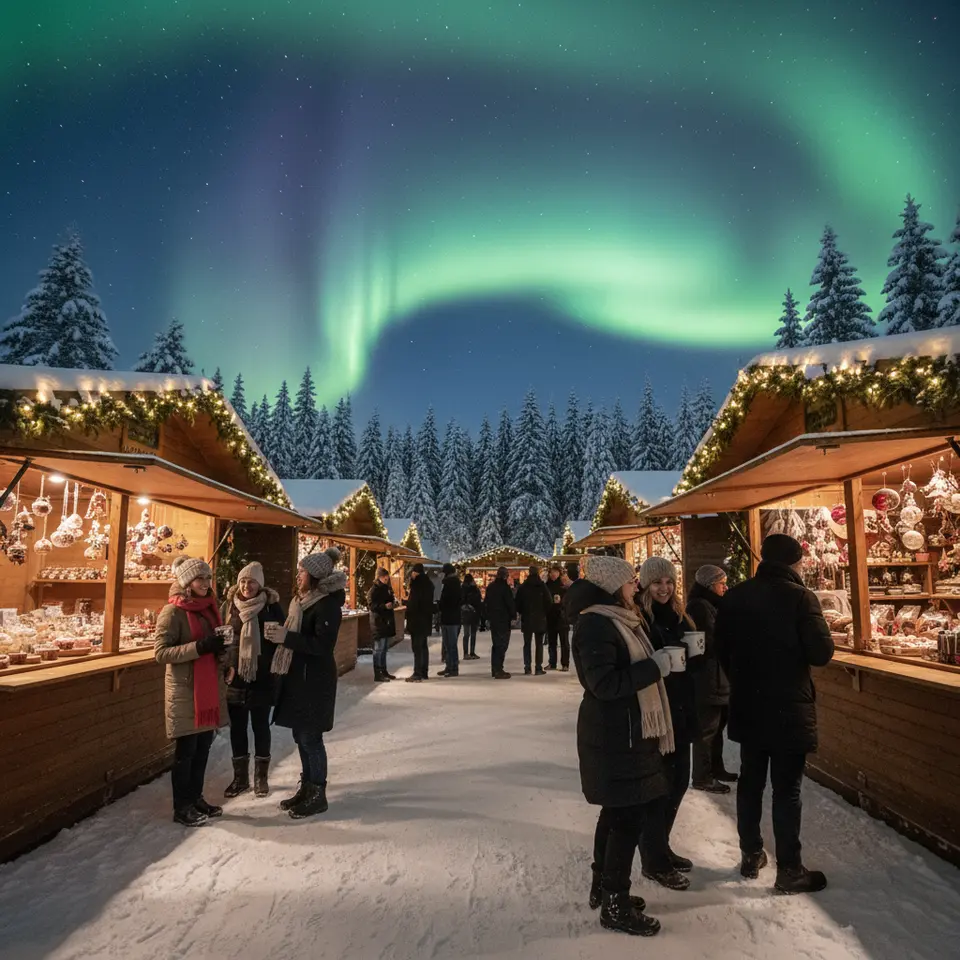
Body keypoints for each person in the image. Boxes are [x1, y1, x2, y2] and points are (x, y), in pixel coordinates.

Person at [715, 533, 834, 894]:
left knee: (751, 783)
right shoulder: (801, 598)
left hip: (749, 704)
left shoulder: (735, 596)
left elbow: (722, 651)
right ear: (794, 562)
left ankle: (751, 853)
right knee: (787, 790)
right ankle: (790, 869)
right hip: (788, 707)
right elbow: (821, 653)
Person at [572, 554, 672, 937]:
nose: (637, 586)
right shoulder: (597, 623)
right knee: (627, 818)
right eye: (631, 581)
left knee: (617, 815)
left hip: (624, 732)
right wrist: (654, 667)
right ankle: (615, 901)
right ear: (614, 585)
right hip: (616, 736)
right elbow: (604, 685)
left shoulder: (616, 617)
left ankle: (604, 886)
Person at [635, 556, 701, 891]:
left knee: (678, 783)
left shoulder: (680, 615)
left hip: (682, 708)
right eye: (657, 582)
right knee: (658, 788)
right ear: (645, 584)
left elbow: (693, 659)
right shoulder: (640, 619)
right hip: (659, 711)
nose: (664, 588)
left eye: (669, 582)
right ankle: (654, 860)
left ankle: (662, 846)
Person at [269, 547, 347, 818]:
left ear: (314, 576)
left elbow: (322, 646)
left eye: (302, 571)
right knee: (300, 736)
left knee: (310, 737)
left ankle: (318, 794)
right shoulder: (302, 601)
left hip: (315, 681)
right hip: (299, 678)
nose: (298, 575)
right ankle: (307, 788)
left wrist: (285, 637)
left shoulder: (326, 605)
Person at [154, 556, 229, 827]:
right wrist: (200, 647)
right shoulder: (172, 612)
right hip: (186, 692)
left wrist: (221, 652)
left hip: (207, 689)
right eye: (200, 579)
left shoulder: (209, 608)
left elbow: (212, 646)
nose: (205, 583)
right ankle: (181, 806)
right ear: (187, 582)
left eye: (208, 578)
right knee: (186, 753)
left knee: (202, 749)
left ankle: (196, 798)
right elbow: (161, 653)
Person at [220, 561, 285, 799]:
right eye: (243, 581)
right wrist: (226, 666)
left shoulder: (272, 608)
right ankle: (240, 779)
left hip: (262, 676)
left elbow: (282, 640)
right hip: (235, 677)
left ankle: (260, 778)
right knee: (237, 728)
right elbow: (223, 639)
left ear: (261, 584)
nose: (247, 586)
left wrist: (275, 661)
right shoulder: (229, 606)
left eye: (252, 581)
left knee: (260, 727)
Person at [685, 564, 737, 793]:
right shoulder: (700, 607)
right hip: (708, 678)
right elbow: (709, 641)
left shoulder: (709, 604)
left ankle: (716, 769)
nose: (725, 587)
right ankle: (702, 777)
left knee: (715, 728)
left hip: (717, 677)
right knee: (707, 730)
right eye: (721, 583)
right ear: (709, 585)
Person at [516, 565, 553, 676]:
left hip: (527, 618)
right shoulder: (542, 586)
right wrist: (543, 612)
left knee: (527, 644)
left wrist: (523, 612)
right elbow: (549, 602)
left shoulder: (523, 587)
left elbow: (517, 603)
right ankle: (538, 667)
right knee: (539, 644)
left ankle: (527, 667)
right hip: (539, 618)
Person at [484, 566, 516, 679]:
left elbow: (486, 603)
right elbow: (510, 603)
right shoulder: (505, 588)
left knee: (496, 644)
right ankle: (498, 669)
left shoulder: (491, 587)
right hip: (503, 619)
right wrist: (513, 616)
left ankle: (495, 668)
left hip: (494, 619)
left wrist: (487, 616)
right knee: (502, 644)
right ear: (505, 576)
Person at [405, 562, 434, 681]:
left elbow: (414, 603)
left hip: (417, 620)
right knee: (423, 646)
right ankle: (424, 671)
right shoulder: (429, 584)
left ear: (415, 572)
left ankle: (417, 672)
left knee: (417, 647)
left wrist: (408, 610)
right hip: (426, 619)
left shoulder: (417, 584)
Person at [368, 567, 398, 682]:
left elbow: (390, 599)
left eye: (387, 576)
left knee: (384, 648)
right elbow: (371, 606)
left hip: (386, 622)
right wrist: (384, 606)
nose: (387, 578)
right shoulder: (374, 590)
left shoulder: (387, 588)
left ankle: (383, 670)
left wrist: (393, 603)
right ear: (379, 577)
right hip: (378, 623)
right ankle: (378, 673)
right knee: (379, 649)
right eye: (385, 576)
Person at [438, 563, 462, 677]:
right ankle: (450, 666)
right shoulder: (455, 584)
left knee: (450, 645)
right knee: (449, 645)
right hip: (453, 618)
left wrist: (440, 605)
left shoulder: (450, 585)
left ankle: (452, 667)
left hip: (449, 618)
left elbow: (447, 601)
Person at [545, 564, 570, 671]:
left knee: (564, 642)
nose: (553, 574)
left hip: (562, 617)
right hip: (551, 617)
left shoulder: (564, 585)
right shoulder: (547, 585)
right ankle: (552, 663)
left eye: (555, 572)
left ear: (559, 573)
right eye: (552, 572)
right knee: (552, 641)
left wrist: (562, 602)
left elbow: (569, 600)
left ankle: (565, 664)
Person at [461, 572, 483, 660]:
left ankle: (465, 653)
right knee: (473, 634)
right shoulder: (475, 589)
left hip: (466, 613)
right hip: (475, 613)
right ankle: (472, 652)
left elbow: (461, 601)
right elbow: (479, 600)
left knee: (466, 634)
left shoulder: (462, 589)